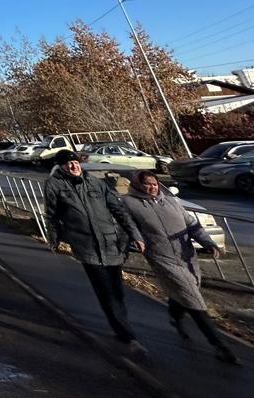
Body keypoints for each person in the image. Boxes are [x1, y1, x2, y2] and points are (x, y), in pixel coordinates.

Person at [122, 170, 239, 364]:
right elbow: (129, 227)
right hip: (162, 257)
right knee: (193, 298)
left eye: (154, 184)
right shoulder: (129, 203)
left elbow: (192, 225)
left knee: (188, 289)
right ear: (137, 185)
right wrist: (133, 243)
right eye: (146, 184)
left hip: (186, 255)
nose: (151, 188)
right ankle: (220, 346)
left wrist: (208, 243)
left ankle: (175, 315)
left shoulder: (171, 201)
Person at [43, 149, 146, 350]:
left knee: (117, 291)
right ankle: (126, 334)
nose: (74, 166)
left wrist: (135, 235)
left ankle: (121, 324)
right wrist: (54, 239)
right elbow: (52, 215)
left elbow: (118, 210)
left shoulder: (95, 183)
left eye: (75, 162)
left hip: (110, 242)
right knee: (105, 290)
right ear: (61, 166)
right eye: (68, 164)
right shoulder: (54, 185)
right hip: (86, 245)